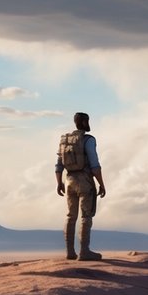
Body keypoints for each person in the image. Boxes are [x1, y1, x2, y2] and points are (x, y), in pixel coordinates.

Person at [55, 111, 107, 260]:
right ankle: (84, 252)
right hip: (85, 181)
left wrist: (59, 182)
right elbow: (95, 165)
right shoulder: (88, 140)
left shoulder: (65, 141)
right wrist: (101, 184)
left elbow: (58, 165)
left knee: (71, 216)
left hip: (69, 181)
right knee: (86, 215)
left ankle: (70, 252)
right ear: (84, 122)